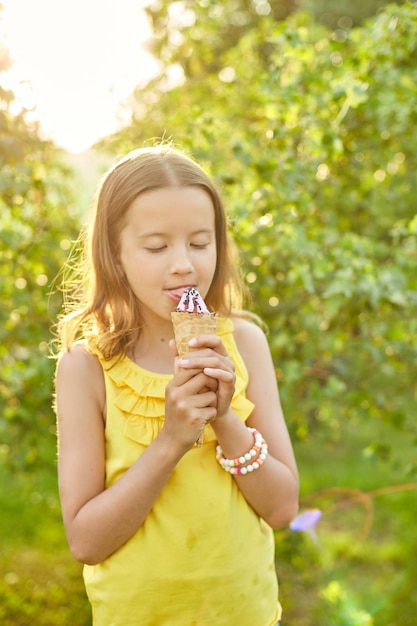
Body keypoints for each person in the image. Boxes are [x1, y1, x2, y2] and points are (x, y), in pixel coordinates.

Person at [54, 144, 299, 626]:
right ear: (116, 255)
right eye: (156, 246)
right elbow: (86, 541)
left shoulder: (245, 344)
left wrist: (225, 418)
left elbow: (283, 508)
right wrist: (170, 440)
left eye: (200, 242)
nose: (184, 264)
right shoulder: (86, 369)